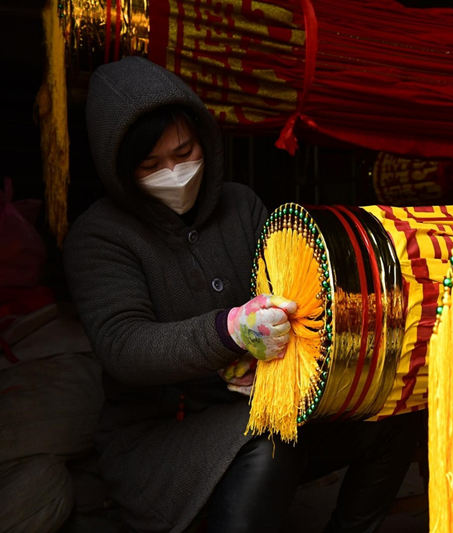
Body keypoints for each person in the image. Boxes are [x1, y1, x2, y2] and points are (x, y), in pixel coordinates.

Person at [63, 56, 423, 533]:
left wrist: (280, 354)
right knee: (269, 438)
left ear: (204, 138)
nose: (175, 172)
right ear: (120, 171)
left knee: (393, 405)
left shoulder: (241, 204)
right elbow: (125, 347)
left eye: (185, 151)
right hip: (162, 437)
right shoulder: (99, 237)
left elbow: (292, 297)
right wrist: (230, 332)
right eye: (151, 165)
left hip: (263, 400)